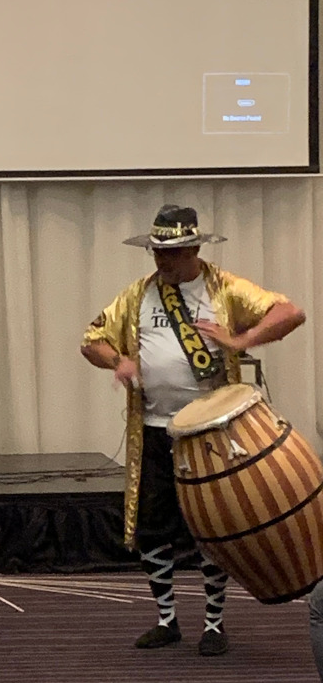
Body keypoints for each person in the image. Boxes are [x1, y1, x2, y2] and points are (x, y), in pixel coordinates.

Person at [81, 204, 305, 656]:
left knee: (214, 529)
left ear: (194, 250)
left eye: (172, 253)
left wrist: (241, 341)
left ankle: (214, 623)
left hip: (213, 434)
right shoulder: (136, 295)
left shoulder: (226, 288)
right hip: (155, 430)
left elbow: (290, 312)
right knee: (152, 530)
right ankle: (166, 619)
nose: (162, 262)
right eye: (158, 253)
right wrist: (118, 361)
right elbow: (92, 340)